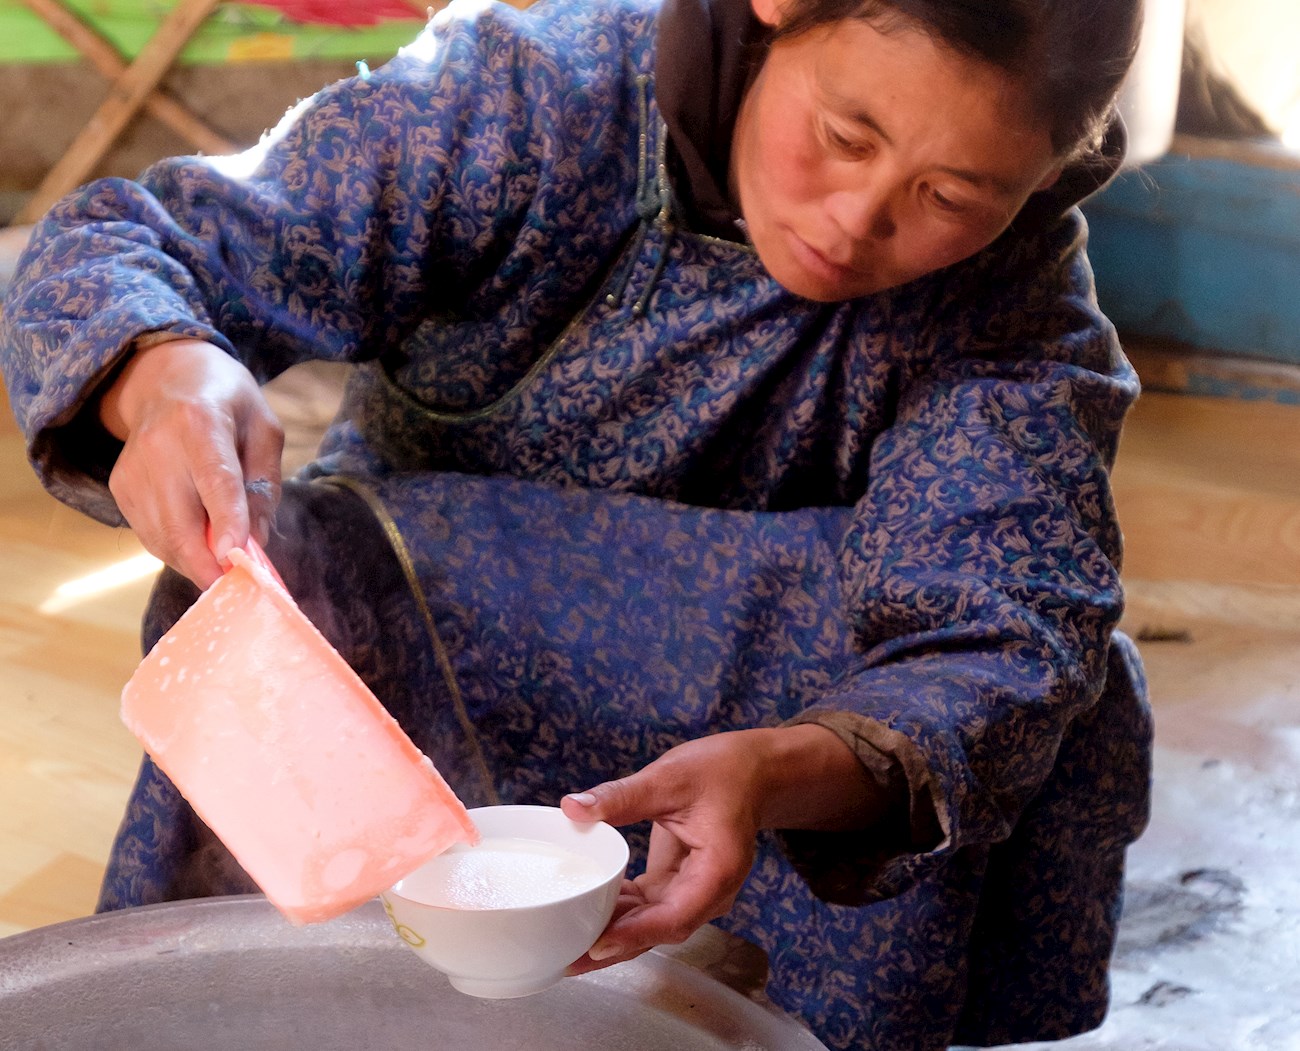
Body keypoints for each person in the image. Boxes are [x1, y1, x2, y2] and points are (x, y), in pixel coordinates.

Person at [0, 0, 1153, 1047]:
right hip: (432, 646)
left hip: (765, 720)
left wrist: (794, 767)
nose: (855, 219)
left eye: (952, 197)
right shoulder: (530, 99)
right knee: (290, 570)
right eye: (846, 136)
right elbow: (130, 239)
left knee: (1057, 675)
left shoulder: (1015, 301)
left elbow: (1003, 630)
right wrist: (162, 376)